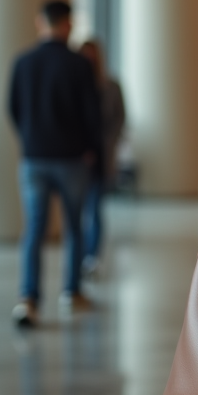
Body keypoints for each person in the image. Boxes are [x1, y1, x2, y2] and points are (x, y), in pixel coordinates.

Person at [8, 0, 101, 327]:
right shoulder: (79, 64)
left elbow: (14, 108)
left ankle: (29, 298)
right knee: (74, 227)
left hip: (34, 158)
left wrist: (30, 139)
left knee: (34, 228)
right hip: (72, 157)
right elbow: (92, 114)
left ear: (40, 22)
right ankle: (71, 292)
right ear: (68, 24)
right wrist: (91, 147)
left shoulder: (23, 61)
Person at [77, 40, 125, 277]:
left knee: (95, 208)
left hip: (102, 155)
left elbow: (119, 118)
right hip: (77, 158)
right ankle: (79, 254)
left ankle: (91, 256)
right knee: (77, 210)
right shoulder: (74, 83)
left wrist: (109, 142)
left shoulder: (111, 85)